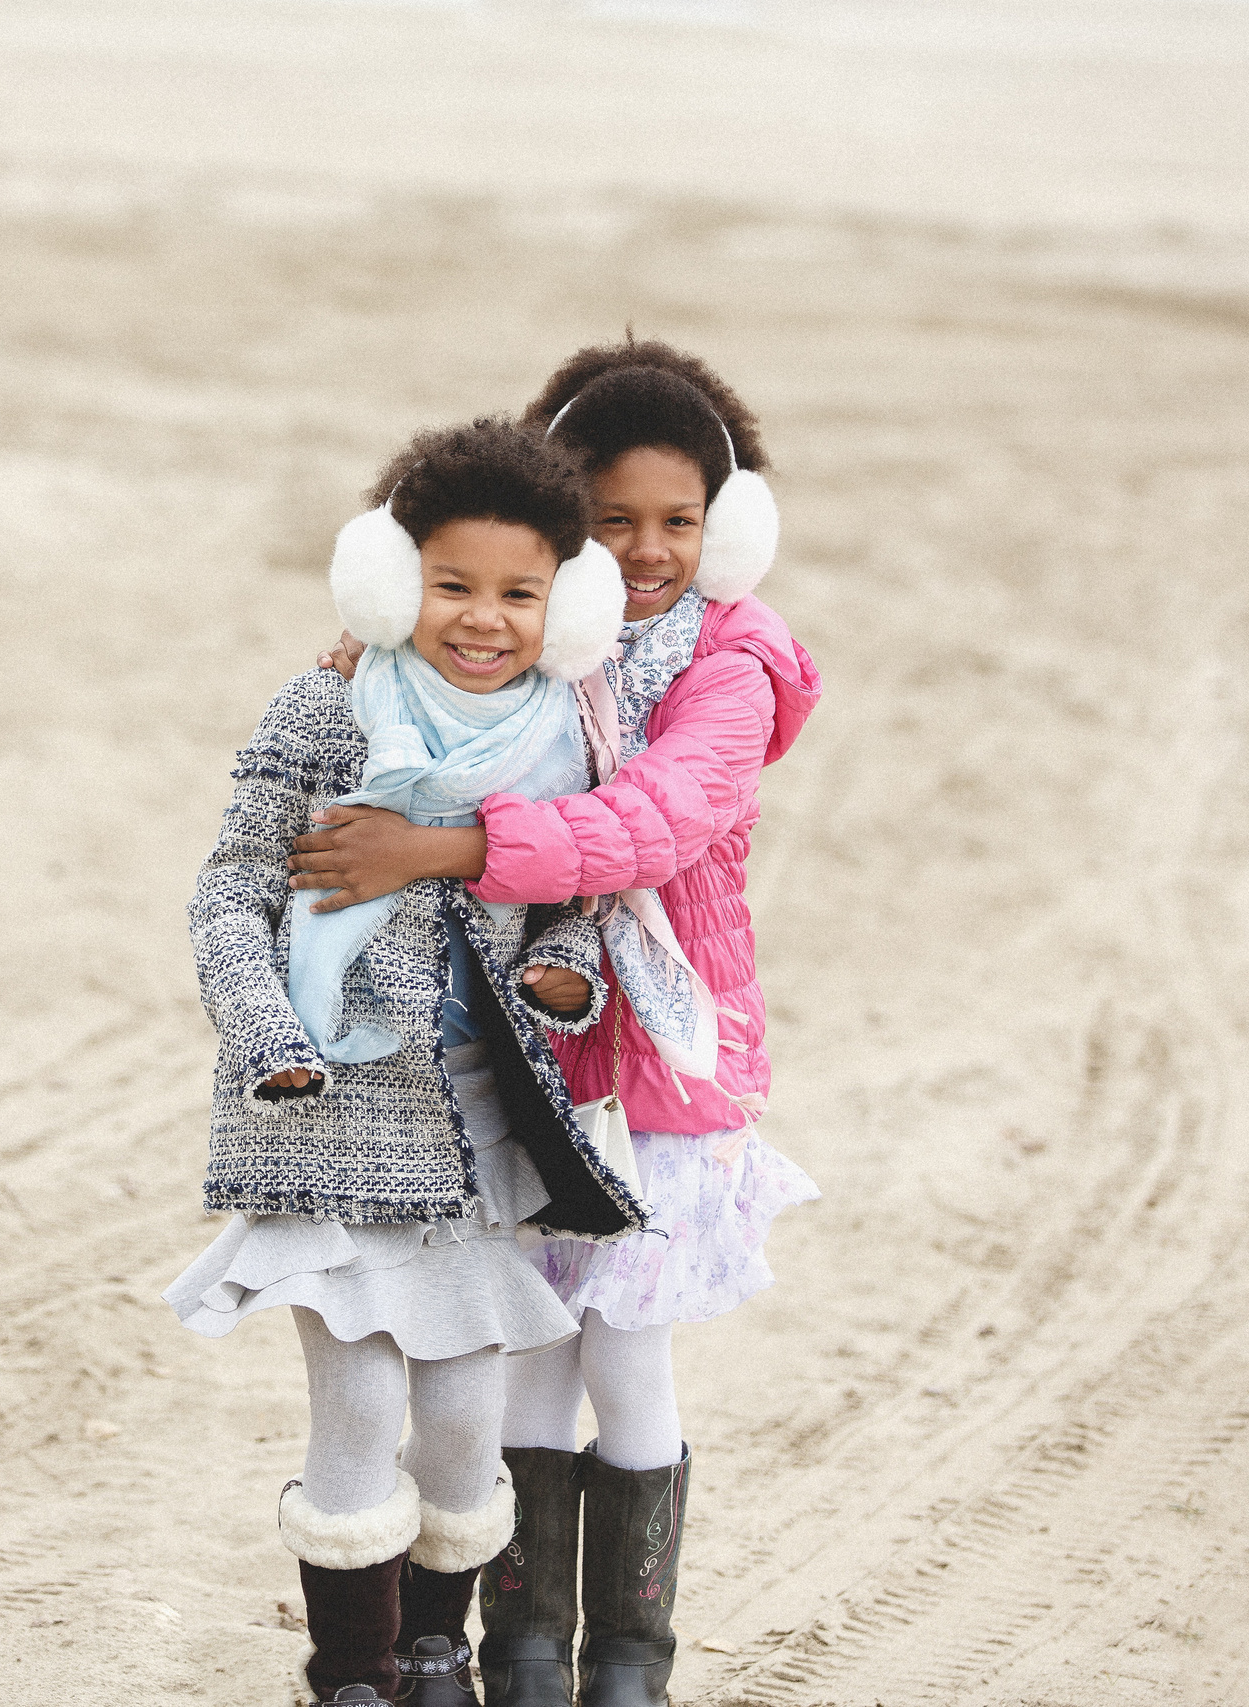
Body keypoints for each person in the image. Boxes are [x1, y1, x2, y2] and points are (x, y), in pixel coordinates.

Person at [291, 342, 823, 1707]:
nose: (647, 550)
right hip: (535, 1072)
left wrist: (445, 848)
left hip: (652, 1068)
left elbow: (646, 822)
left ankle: (629, 1657)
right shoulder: (547, 649)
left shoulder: (734, 664)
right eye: (612, 520)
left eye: (680, 521)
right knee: (528, 1350)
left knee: (629, 1361)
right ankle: (518, 1646)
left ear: (731, 523)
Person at [164, 417, 651, 1707]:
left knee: (458, 1424)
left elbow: (569, 904)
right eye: (450, 587)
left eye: (518, 594)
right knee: (361, 1408)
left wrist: (567, 975)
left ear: (569, 603)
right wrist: (269, 1032)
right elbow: (230, 893)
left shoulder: (564, 737)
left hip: (481, 1129)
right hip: (328, 1111)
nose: (482, 619)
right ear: (391, 582)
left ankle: (442, 1642)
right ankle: (354, 1674)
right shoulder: (325, 707)